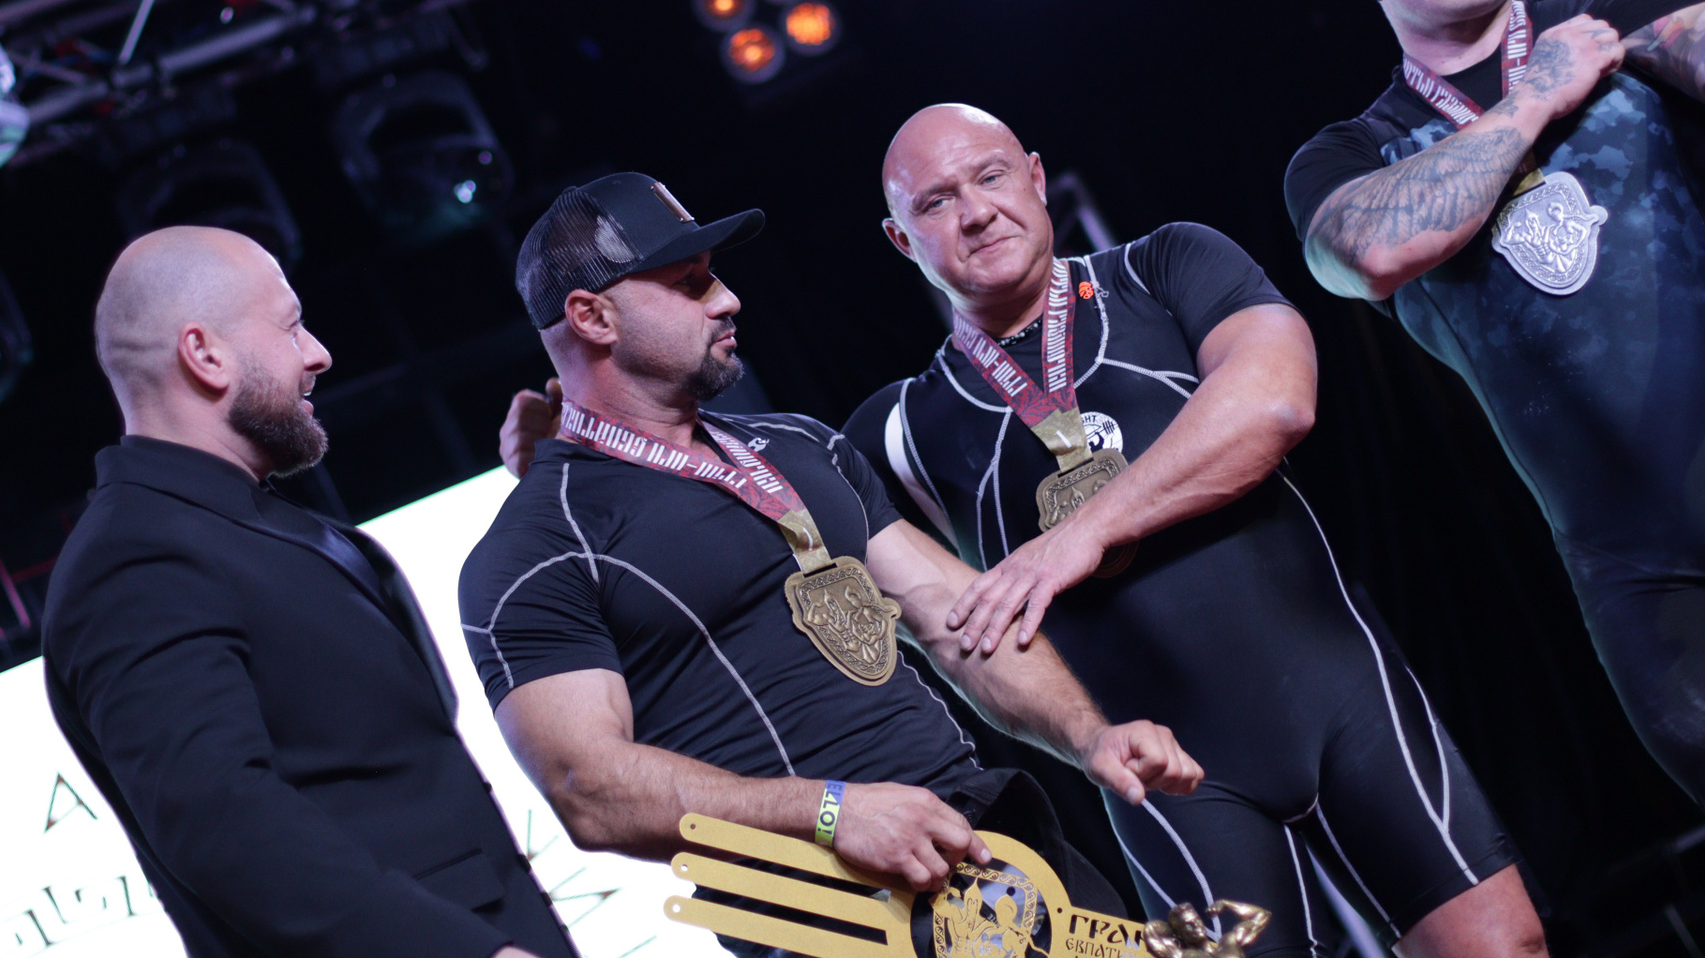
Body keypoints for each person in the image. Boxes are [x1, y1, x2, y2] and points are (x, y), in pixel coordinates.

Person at [840, 105, 1546, 958]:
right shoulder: (896, 435)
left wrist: (1082, 532)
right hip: (1164, 782)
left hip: (1346, 707)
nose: (977, 211)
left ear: (1034, 175)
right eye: (938, 201)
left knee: (1504, 950)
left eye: (990, 176)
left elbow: (1275, 403)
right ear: (901, 240)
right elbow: (912, 617)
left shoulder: (1168, 267)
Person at [466, 173, 1202, 951]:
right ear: (592, 316)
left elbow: (958, 622)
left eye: (715, 274)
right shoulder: (537, 549)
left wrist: (1088, 736)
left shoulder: (800, 445)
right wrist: (830, 812)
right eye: (689, 284)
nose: (727, 299)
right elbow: (588, 790)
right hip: (831, 920)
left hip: (988, 847)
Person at [1284, 0, 1705, 902]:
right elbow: (1367, 252)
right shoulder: (1349, 156)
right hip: (1656, 585)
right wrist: (1536, 99)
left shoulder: (1627, 20)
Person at [42, 226, 572, 958]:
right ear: (205, 354)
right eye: (291, 327)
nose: (318, 353)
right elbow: (224, 825)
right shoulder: (132, 560)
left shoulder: (236, 524)